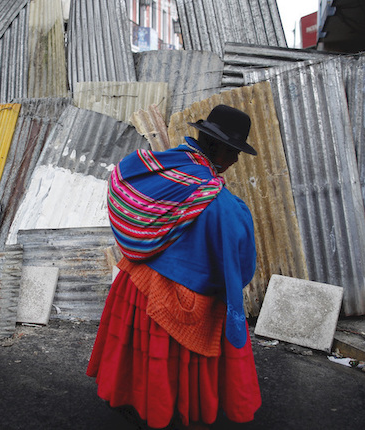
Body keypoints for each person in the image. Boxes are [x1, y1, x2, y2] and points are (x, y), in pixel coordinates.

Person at [87, 105, 262, 429]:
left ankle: (133, 406)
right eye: (234, 152)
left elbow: (119, 181)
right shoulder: (225, 209)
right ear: (217, 148)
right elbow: (240, 268)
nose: (236, 160)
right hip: (175, 303)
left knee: (136, 365)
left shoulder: (155, 170)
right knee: (167, 374)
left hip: (135, 285)